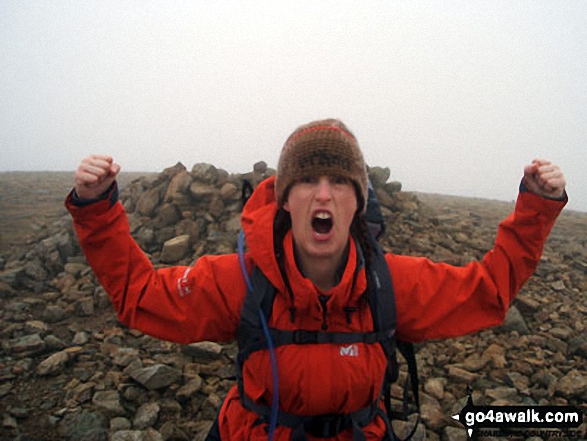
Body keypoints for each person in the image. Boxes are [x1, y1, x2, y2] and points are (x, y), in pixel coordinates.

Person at [66, 119, 567, 441]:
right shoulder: (242, 282)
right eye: (307, 180)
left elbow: (487, 292)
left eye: (340, 182)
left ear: (358, 202)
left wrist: (535, 208)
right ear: (285, 199)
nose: (322, 195)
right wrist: (97, 209)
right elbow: (141, 297)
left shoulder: (390, 285)